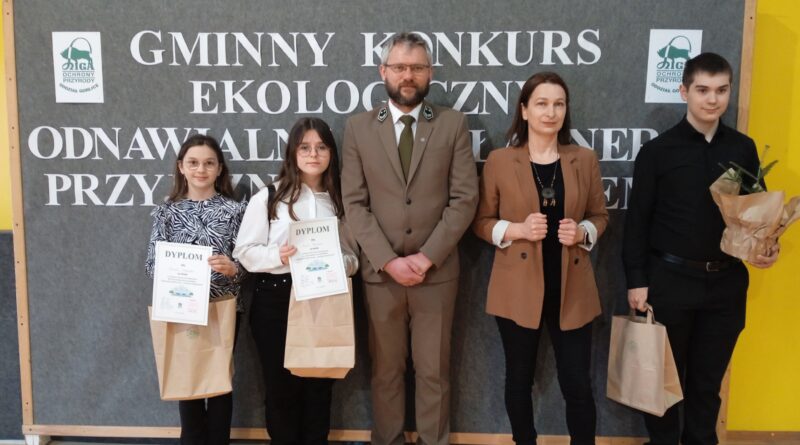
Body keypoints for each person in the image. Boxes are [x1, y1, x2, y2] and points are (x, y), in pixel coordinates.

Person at [623, 52, 780, 445]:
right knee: (660, 387)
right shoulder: (657, 152)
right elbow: (636, 223)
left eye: (721, 90)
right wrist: (637, 281)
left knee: (707, 387)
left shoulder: (743, 149)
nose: (713, 99)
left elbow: (757, 214)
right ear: (684, 91)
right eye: (703, 90)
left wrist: (767, 246)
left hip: (725, 286)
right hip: (669, 282)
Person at [341, 32, 478, 445]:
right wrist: (388, 260)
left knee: (434, 371)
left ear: (429, 73)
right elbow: (355, 203)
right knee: (385, 371)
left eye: (417, 67)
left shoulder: (452, 124)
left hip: (436, 274)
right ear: (383, 71)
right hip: (381, 276)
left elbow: (464, 199)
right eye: (399, 67)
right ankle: (387, 439)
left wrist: (426, 257)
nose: (408, 76)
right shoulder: (359, 128)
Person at [472, 71, 608, 445]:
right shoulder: (501, 160)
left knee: (578, 383)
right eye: (542, 103)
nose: (551, 112)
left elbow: (600, 215)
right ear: (525, 110)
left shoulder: (584, 159)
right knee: (519, 379)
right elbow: (481, 222)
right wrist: (516, 229)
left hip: (572, 289)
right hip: (517, 289)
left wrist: (583, 232)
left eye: (559, 104)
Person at [233, 117, 358, 445]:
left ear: (331, 153)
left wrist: (339, 263)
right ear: (292, 152)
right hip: (276, 299)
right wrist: (279, 256)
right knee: (281, 389)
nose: (313, 154)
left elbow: (354, 257)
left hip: (326, 296)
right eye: (305, 147)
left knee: (320, 386)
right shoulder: (270, 196)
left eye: (321, 147)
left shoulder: (341, 200)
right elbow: (244, 251)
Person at [145, 134, 246, 445]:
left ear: (219, 169)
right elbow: (151, 265)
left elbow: (248, 262)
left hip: (224, 308)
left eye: (208, 163)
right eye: (193, 163)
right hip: (181, 308)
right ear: (181, 167)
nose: (201, 169)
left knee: (219, 383)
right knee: (186, 381)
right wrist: (175, 270)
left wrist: (234, 268)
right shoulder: (167, 212)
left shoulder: (235, 211)